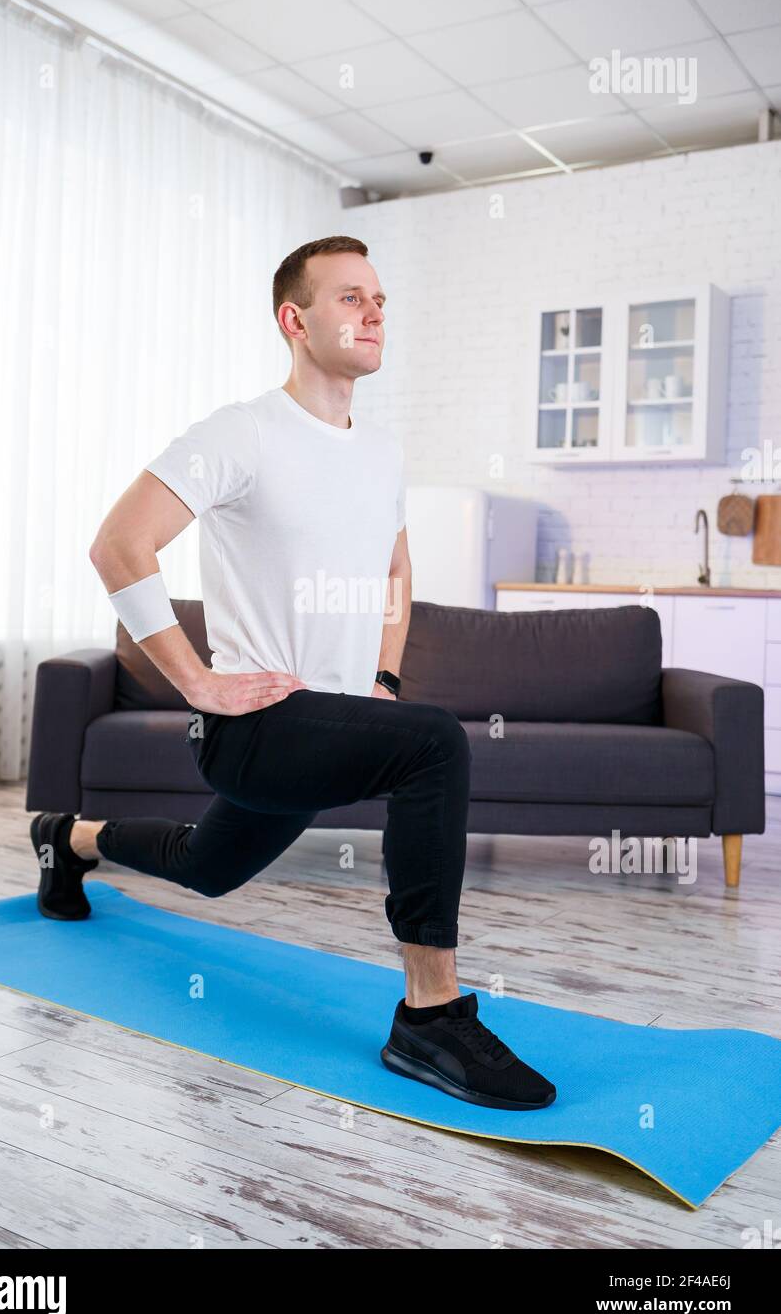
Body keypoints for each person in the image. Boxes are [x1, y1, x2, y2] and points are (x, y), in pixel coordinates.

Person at [30, 235, 555, 1111]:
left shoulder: (380, 453)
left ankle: (67, 840)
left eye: (380, 298)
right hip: (257, 728)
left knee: (208, 866)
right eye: (350, 297)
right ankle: (430, 1017)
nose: (375, 311)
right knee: (434, 745)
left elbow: (396, 574)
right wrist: (196, 682)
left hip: (332, 726)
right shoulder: (242, 434)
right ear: (294, 319)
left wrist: (382, 684)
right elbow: (119, 545)